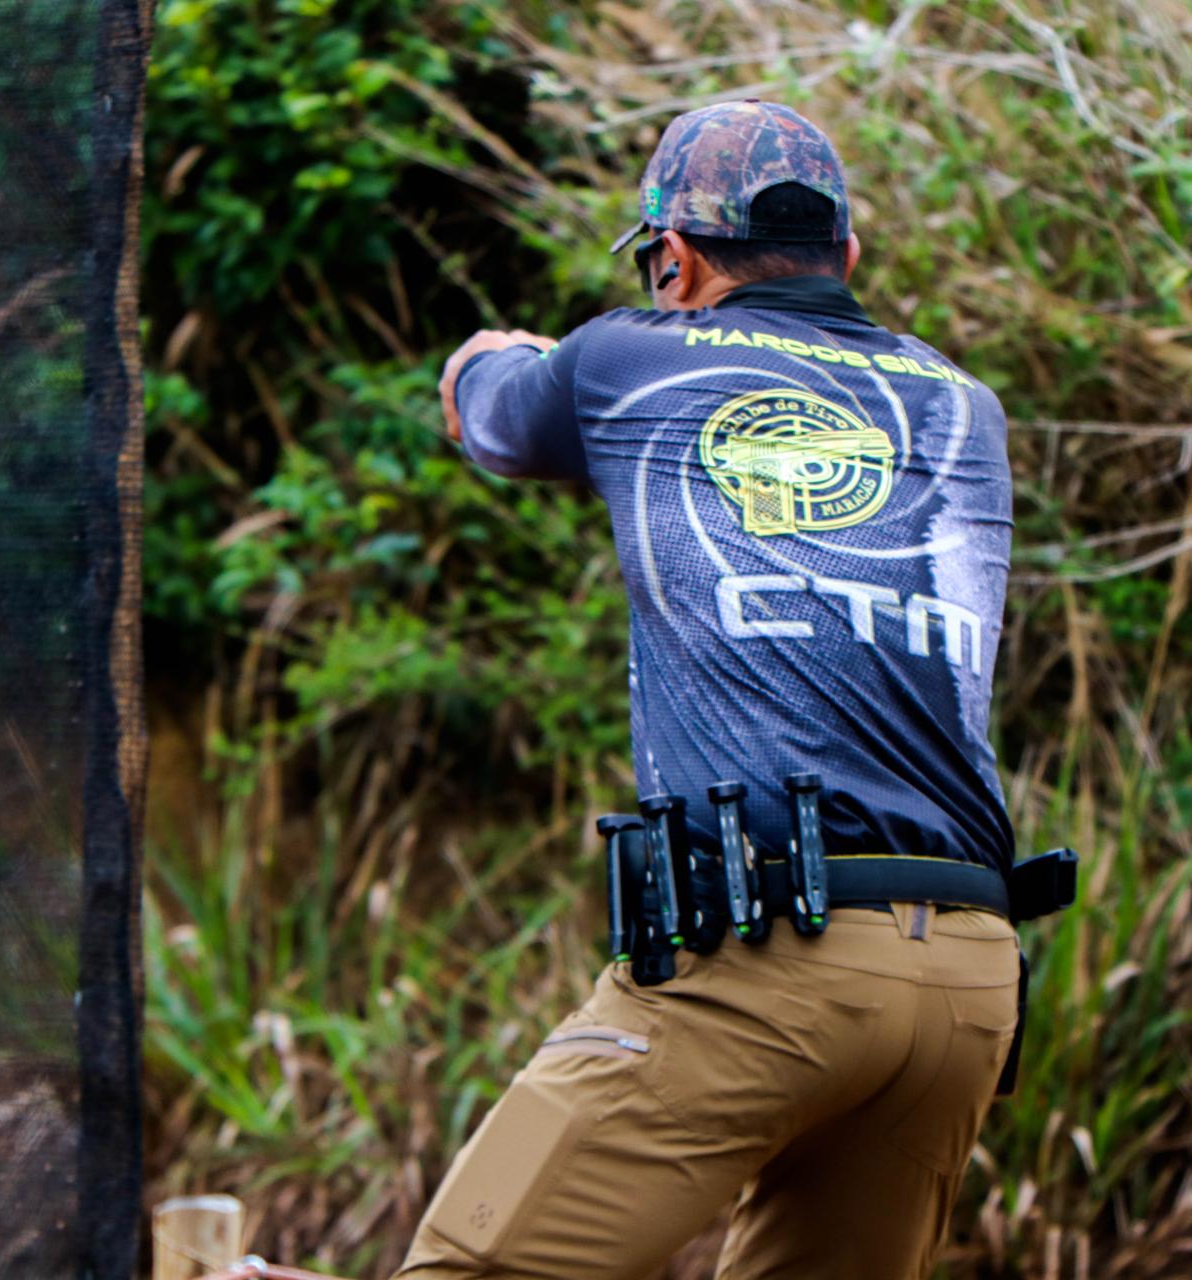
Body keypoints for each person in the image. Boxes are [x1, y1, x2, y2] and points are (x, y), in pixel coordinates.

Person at [404, 99, 1026, 1280]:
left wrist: (489, 353)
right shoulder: (962, 405)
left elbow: (493, 419)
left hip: (767, 957)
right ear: (846, 256)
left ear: (675, 261)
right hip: (967, 979)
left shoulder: (623, 357)